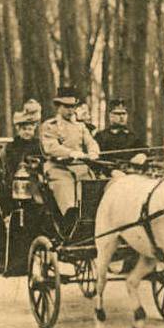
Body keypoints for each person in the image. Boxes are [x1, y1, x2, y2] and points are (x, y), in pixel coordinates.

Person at [40, 86, 99, 226]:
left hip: (80, 168)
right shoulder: (50, 126)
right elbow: (51, 147)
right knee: (65, 190)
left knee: (92, 189)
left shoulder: (81, 127)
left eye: (73, 107)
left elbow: (91, 142)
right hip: (57, 168)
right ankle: (69, 221)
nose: (70, 110)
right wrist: (70, 153)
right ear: (58, 106)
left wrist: (93, 153)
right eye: (66, 107)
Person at [94, 98, 144, 162]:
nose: (122, 117)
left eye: (124, 113)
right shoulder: (101, 136)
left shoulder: (132, 136)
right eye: (118, 114)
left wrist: (142, 155)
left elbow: (144, 149)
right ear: (110, 116)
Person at [1, 110, 43, 182]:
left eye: (29, 129)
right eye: (24, 129)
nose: (27, 132)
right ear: (18, 130)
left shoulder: (38, 144)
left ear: (34, 130)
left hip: (36, 178)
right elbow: (9, 166)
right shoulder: (12, 145)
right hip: (16, 177)